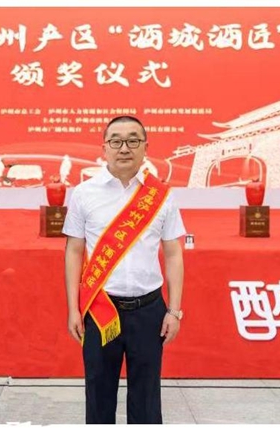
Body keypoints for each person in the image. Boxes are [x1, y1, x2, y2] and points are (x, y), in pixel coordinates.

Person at [62, 116, 186, 424]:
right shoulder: (84, 193)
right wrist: (74, 309)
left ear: (145, 147)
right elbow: (74, 250)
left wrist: (174, 311)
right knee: (99, 393)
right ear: (104, 148)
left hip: (149, 310)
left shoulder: (161, 196)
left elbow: (173, 254)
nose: (124, 148)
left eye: (133, 140)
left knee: (147, 398)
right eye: (116, 141)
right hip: (100, 308)